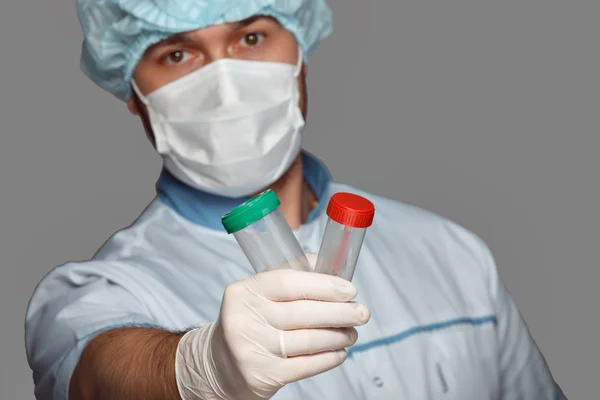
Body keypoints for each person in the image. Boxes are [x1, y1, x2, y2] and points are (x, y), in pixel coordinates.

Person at [25, 1, 566, 399]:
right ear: (134, 93)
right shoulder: (97, 293)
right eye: (177, 53)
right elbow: (101, 374)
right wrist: (200, 367)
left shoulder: (450, 253)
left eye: (252, 38)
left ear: (299, 53)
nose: (225, 85)